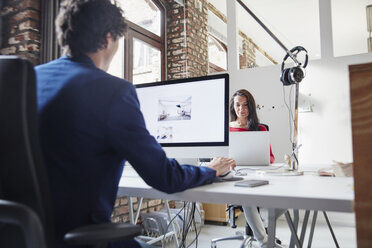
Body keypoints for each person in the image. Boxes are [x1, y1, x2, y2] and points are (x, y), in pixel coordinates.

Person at [35, 1, 236, 248]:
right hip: (81, 239)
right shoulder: (113, 91)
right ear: (109, 38)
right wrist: (211, 170)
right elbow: (164, 177)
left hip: (23, 233)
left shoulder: (29, 78)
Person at [229, 89, 276, 248]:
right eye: (237, 105)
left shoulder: (260, 129)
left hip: (257, 175)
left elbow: (270, 157)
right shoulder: (226, 130)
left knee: (280, 196)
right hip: (235, 177)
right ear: (233, 107)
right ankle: (264, 242)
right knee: (247, 197)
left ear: (251, 107)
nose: (241, 109)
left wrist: (261, 162)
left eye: (245, 105)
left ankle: (261, 233)